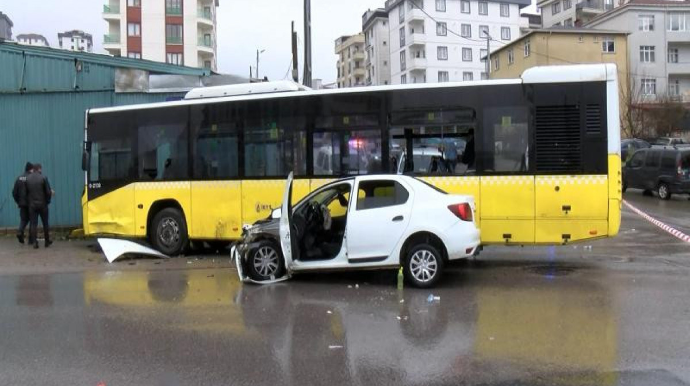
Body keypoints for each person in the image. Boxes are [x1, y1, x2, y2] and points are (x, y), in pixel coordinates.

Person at [26, 163, 53, 249]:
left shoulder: (28, 179)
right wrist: (48, 201)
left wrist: (29, 202)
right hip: (43, 204)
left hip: (32, 205)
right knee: (45, 223)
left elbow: (26, 193)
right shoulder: (43, 178)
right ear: (39, 169)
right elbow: (48, 192)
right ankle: (47, 241)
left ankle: (34, 242)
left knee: (33, 224)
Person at [12, 162, 33, 244]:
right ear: (31, 169)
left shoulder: (19, 178)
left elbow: (14, 192)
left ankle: (20, 232)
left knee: (23, 220)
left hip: (22, 204)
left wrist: (18, 201)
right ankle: (31, 239)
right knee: (32, 220)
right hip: (31, 203)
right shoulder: (31, 178)